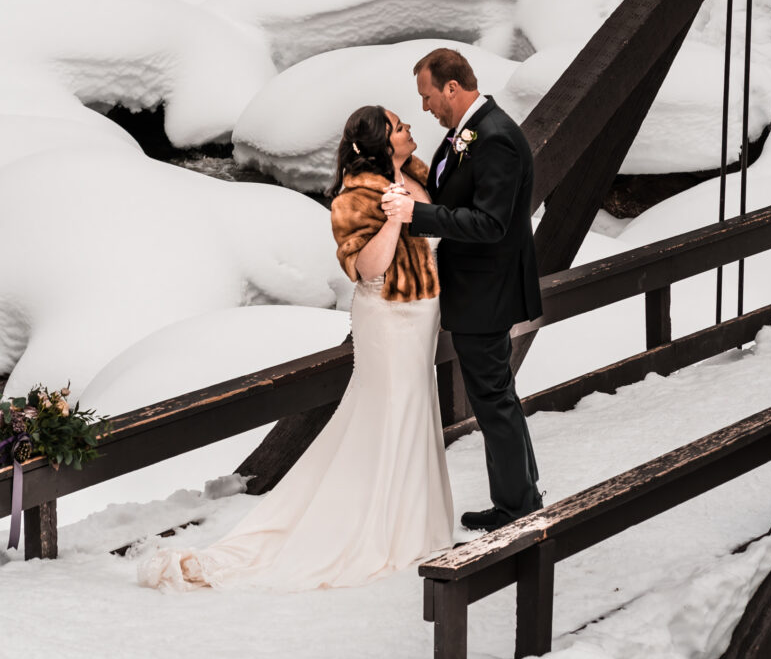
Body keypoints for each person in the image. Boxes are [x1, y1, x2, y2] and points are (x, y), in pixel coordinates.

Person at [138, 105, 453, 592]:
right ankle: (373, 527)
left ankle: (415, 521)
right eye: (399, 126)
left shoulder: (415, 172)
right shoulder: (355, 197)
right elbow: (367, 268)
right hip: (388, 319)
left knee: (415, 409)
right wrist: (391, 222)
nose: (410, 129)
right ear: (377, 144)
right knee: (387, 413)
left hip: (422, 316)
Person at [381, 48, 542, 533]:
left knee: (493, 402)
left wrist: (418, 217)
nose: (425, 107)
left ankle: (517, 508)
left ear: (452, 87)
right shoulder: (469, 132)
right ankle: (521, 496)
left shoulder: (495, 139)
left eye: (428, 95)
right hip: (478, 289)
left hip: (485, 294)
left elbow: (491, 223)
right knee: (499, 398)